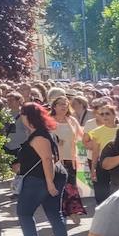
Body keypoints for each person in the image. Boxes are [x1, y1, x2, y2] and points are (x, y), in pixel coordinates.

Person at [14, 102, 73, 236]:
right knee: (54, 213)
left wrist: (49, 183)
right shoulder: (44, 133)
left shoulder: (39, 136)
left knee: (24, 212)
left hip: (39, 179)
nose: (21, 118)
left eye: (22, 115)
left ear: (28, 117)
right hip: (48, 177)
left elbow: (47, 159)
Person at [50, 95, 85, 224]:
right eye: (60, 104)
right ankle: (59, 214)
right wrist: (55, 142)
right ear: (54, 106)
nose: (63, 106)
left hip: (70, 159)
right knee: (59, 187)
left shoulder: (72, 120)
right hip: (55, 160)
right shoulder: (49, 121)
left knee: (71, 187)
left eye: (65, 104)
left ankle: (73, 212)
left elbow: (82, 136)